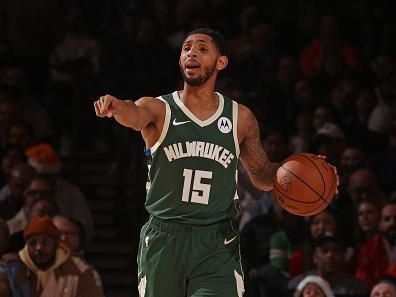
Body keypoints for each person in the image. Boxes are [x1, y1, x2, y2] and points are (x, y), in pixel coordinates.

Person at [94, 27, 283, 297]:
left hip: (216, 241)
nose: (191, 52)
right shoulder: (159, 108)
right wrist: (116, 107)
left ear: (221, 62)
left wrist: (300, 172)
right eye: (186, 48)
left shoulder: (240, 118)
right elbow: (133, 112)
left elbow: (263, 177)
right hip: (164, 237)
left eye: (202, 48)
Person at [0, 215, 105, 297]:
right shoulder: (11, 268)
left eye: (45, 242)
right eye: (33, 243)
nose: (39, 248)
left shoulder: (81, 271)